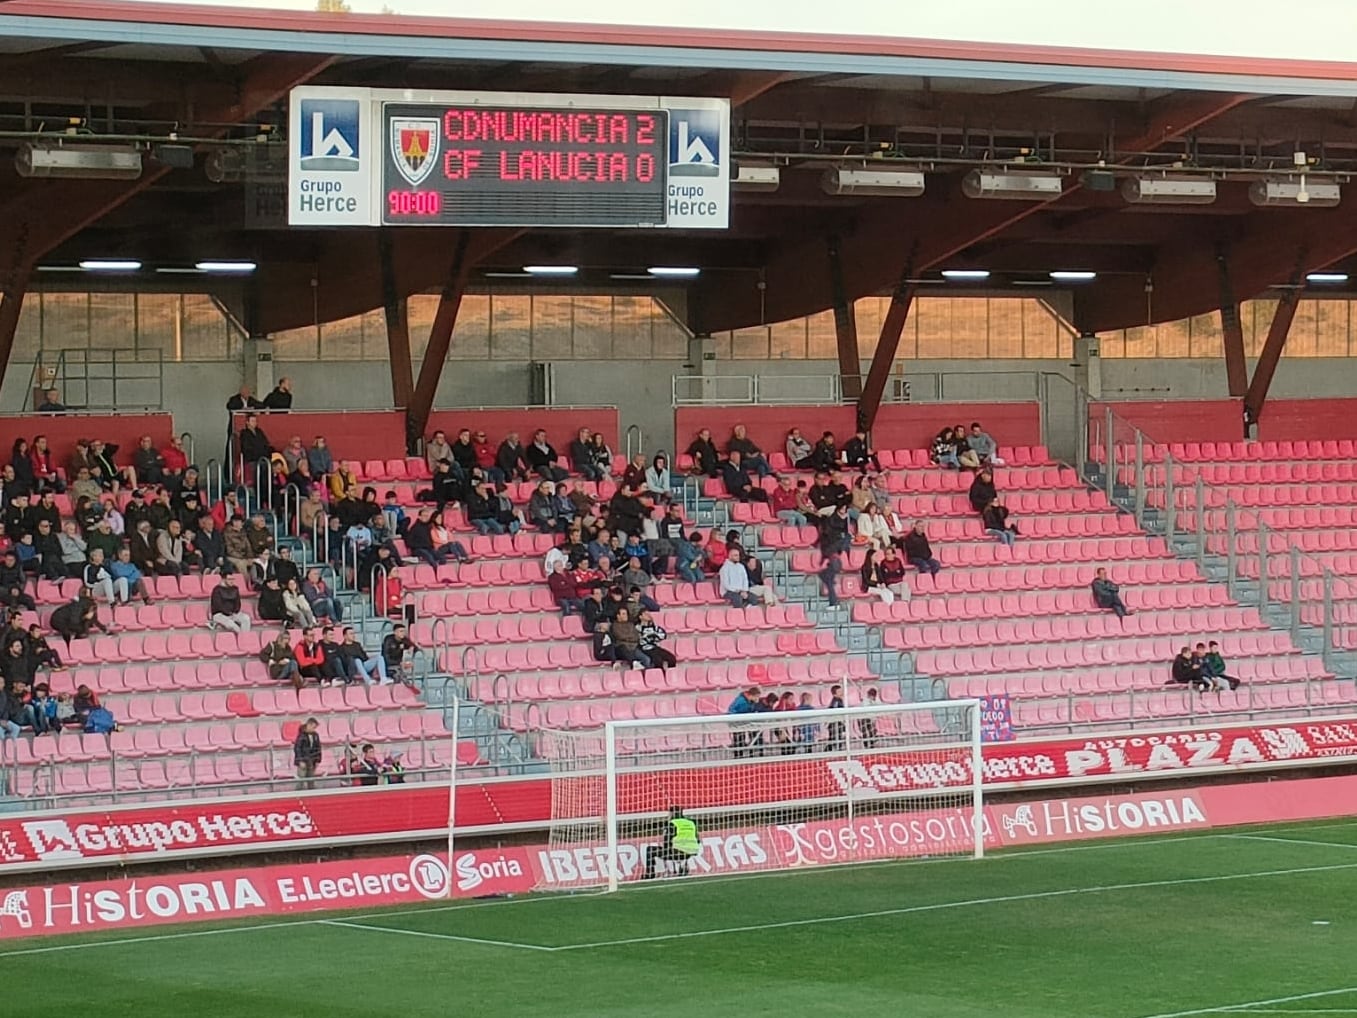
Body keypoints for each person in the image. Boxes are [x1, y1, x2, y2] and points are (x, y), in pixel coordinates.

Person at [643, 806, 700, 880]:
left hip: (677, 852)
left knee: (650, 850)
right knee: (680, 850)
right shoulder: (691, 823)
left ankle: (650, 874)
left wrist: (666, 849)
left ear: (672, 814)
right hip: (692, 852)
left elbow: (667, 841)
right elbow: (697, 839)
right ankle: (683, 866)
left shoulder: (673, 823)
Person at [610, 606, 651, 671]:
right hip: (622, 648)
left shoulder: (631, 624)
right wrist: (630, 638)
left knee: (646, 659)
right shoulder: (614, 625)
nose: (626, 616)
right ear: (618, 616)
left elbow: (636, 636)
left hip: (634, 647)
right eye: (623, 614)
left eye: (626, 614)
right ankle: (634, 663)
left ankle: (644, 676)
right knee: (623, 649)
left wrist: (628, 638)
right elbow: (620, 636)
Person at [294, 716, 322, 790]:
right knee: (301, 780)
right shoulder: (301, 735)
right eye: (313, 727)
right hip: (303, 760)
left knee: (311, 780)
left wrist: (318, 760)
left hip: (311, 761)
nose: (314, 729)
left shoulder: (315, 735)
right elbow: (297, 749)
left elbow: (318, 748)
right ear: (309, 725)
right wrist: (300, 761)